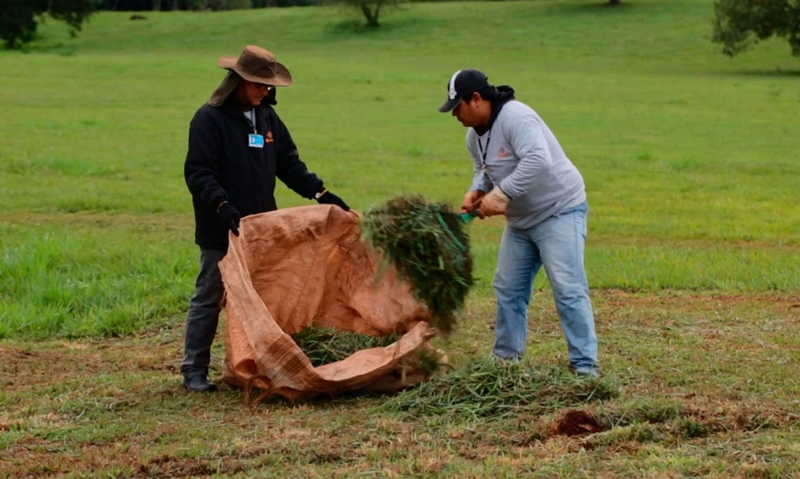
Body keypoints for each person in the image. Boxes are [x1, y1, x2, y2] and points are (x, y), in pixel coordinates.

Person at [182, 45, 350, 392]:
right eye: (260, 84)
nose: (266, 91)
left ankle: (254, 363)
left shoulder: (268, 119)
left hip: (263, 229)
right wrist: (221, 206)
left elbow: (288, 164)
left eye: (269, 85)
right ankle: (194, 370)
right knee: (210, 296)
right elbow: (199, 173)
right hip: (223, 228)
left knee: (262, 299)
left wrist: (320, 194)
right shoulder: (209, 119)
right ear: (238, 81)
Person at [438, 69, 599, 377]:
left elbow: (539, 160)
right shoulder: (473, 136)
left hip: (559, 210)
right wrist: (478, 189)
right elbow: (483, 169)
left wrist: (502, 194)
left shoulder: (516, 118)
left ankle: (585, 369)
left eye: (458, 106)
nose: (454, 114)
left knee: (567, 288)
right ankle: (506, 363)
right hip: (522, 222)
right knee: (508, 288)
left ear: (476, 99)